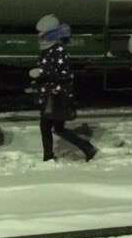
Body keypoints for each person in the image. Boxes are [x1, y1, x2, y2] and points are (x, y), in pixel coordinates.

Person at [32, 14, 97, 162]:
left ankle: (49, 157)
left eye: (40, 31)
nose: (38, 34)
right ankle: (87, 149)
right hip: (51, 92)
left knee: (50, 126)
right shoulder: (47, 47)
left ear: (49, 32)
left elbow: (62, 73)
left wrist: (40, 73)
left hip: (57, 94)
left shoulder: (57, 49)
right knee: (53, 127)